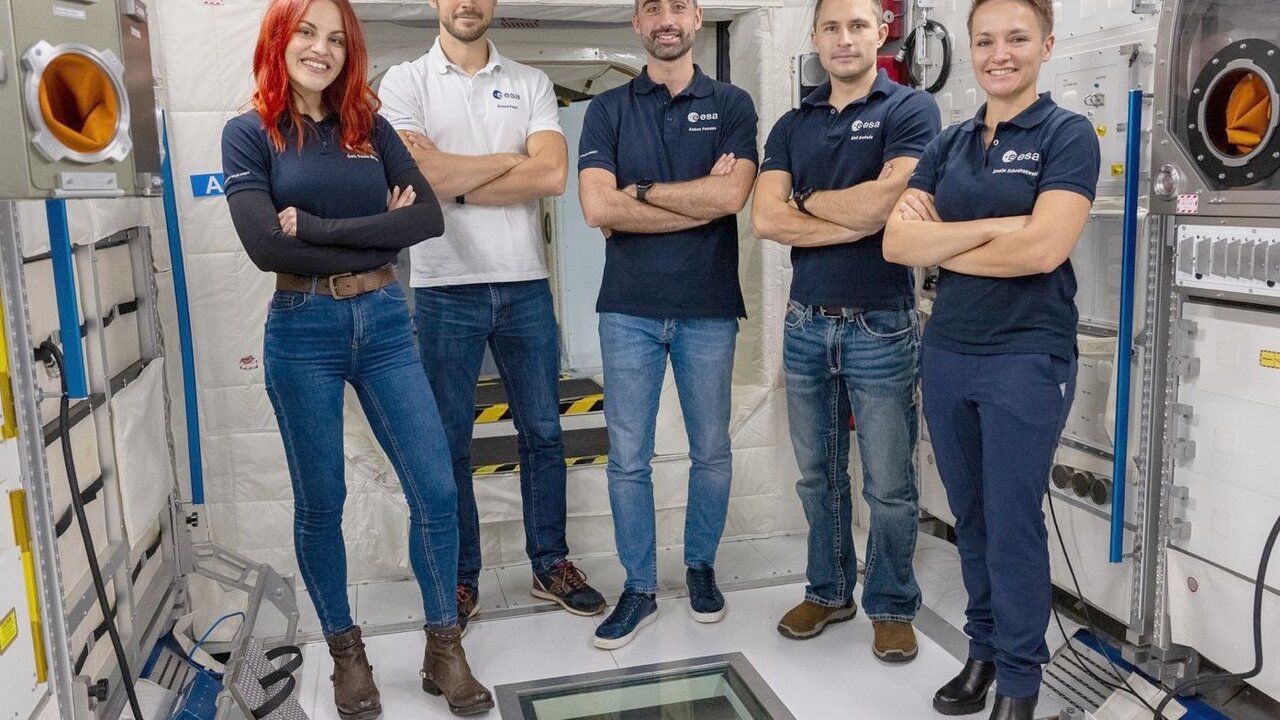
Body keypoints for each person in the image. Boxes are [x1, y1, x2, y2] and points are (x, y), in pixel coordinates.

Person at [221, 0, 493, 715]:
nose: (322, 48)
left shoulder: (367, 127)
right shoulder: (250, 134)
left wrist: (315, 225)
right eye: (307, 33)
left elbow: (426, 219)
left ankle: (444, 648)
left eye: (337, 38)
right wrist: (381, 231)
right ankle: (346, 652)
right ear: (280, 40)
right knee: (322, 502)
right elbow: (265, 247)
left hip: (383, 320)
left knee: (435, 490)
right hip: (302, 327)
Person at [883, 0, 1099, 717]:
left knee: (1011, 522)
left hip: (1026, 356)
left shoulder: (1066, 135)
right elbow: (897, 246)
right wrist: (1000, 225)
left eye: (1016, 38)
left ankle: (1019, 680)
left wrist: (952, 235)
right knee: (968, 516)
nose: (998, 53)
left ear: (1046, 45)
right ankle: (981, 650)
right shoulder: (949, 143)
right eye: (985, 40)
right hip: (947, 352)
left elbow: (1044, 249)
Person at [377, 0, 607, 630]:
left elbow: (554, 174)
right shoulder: (403, 82)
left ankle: (550, 562)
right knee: (450, 444)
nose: (466, 3)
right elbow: (417, 175)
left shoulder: (529, 83)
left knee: (544, 433)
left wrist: (453, 177)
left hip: (525, 286)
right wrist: (511, 161)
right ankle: (461, 575)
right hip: (444, 286)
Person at [752, 0, 939, 662]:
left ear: (881, 31)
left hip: (881, 322)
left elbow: (893, 203)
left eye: (859, 24)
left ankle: (891, 604)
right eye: (832, 26)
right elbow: (766, 221)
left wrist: (805, 203)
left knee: (888, 481)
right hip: (805, 322)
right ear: (816, 37)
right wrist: (850, 214)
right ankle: (829, 592)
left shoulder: (910, 111)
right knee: (817, 475)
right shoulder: (789, 125)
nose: (845, 38)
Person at [577, 0, 758, 650]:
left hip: (708, 306)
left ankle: (700, 568)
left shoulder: (732, 104)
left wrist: (644, 192)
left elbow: (733, 197)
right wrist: (693, 201)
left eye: (678, 5)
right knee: (628, 458)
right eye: (652, 6)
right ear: (637, 21)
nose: (666, 17)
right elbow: (598, 208)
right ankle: (639, 588)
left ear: (697, 16)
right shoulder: (608, 110)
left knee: (710, 448)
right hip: (628, 309)